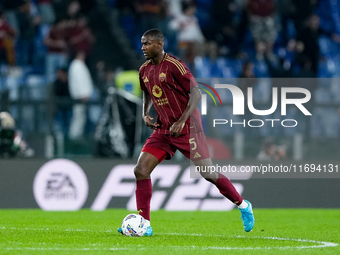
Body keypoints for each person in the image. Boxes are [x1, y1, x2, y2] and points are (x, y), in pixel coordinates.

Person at [118, 29, 255, 236]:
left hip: (188, 127)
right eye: (142, 44)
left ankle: (243, 205)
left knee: (207, 173)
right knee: (141, 170)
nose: (143, 47)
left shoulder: (175, 66)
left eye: (147, 44)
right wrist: (145, 113)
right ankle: (144, 224)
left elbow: (196, 93)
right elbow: (146, 92)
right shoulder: (144, 70)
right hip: (163, 129)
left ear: (159, 44)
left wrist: (181, 121)